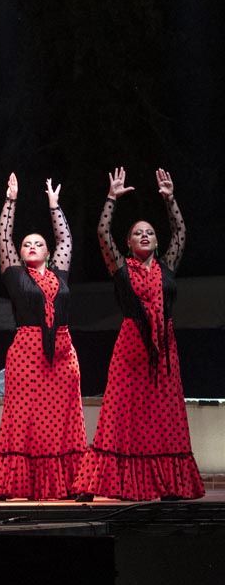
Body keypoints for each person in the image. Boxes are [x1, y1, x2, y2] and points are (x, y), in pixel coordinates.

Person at [73, 167, 203, 502]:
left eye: (149, 233)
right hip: (131, 347)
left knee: (164, 416)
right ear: (129, 244)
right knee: (124, 414)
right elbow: (103, 233)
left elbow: (182, 233)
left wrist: (171, 199)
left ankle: (169, 483)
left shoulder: (167, 266)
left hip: (164, 347)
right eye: (137, 233)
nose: (144, 235)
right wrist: (111, 198)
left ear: (156, 242)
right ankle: (112, 482)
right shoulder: (121, 269)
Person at [0, 173, 86, 500]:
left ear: (47, 253)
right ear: (19, 253)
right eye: (26, 244)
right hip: (27, 352)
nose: (32, 246)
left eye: (38, 243)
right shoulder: (15, 275)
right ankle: (11, 484)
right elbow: (3, 236)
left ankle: (71, 483)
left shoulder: (59, 271)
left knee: (63, 419)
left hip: (61, 353)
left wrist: (54, 206)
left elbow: (66, 241)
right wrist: (11, 199)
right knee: (23, 417)